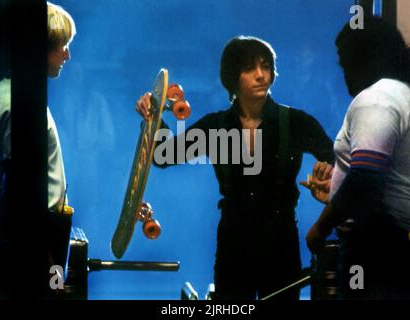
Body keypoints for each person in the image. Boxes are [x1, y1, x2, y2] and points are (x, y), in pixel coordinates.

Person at [136, 35, 334, 300]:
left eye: (266, 66)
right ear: (233, 77)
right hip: (233, 241)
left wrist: (325, 172)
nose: (261, 75)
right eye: (250, 68)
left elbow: (335, 158)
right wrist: (154, 116)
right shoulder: (215, 125)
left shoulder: (295, 122)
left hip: (281, 241)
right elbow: (163, 156)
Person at [305, 16, 410, 299]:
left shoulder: (376, 99)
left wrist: (321, 227)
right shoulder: (402, 95)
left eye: (345, 63)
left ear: (366, 59)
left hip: (377, 251)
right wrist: (337, 189)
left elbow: (366, 178)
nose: (344, 74)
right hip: (399, 248)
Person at [0, 1, 76, 297]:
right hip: (38, 245)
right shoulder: (19, 103)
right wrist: (49, 264)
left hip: (42, 240)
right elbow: (20, 188)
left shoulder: (13, 94)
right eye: (62, 45)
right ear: (41, 47)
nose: (67, 54)